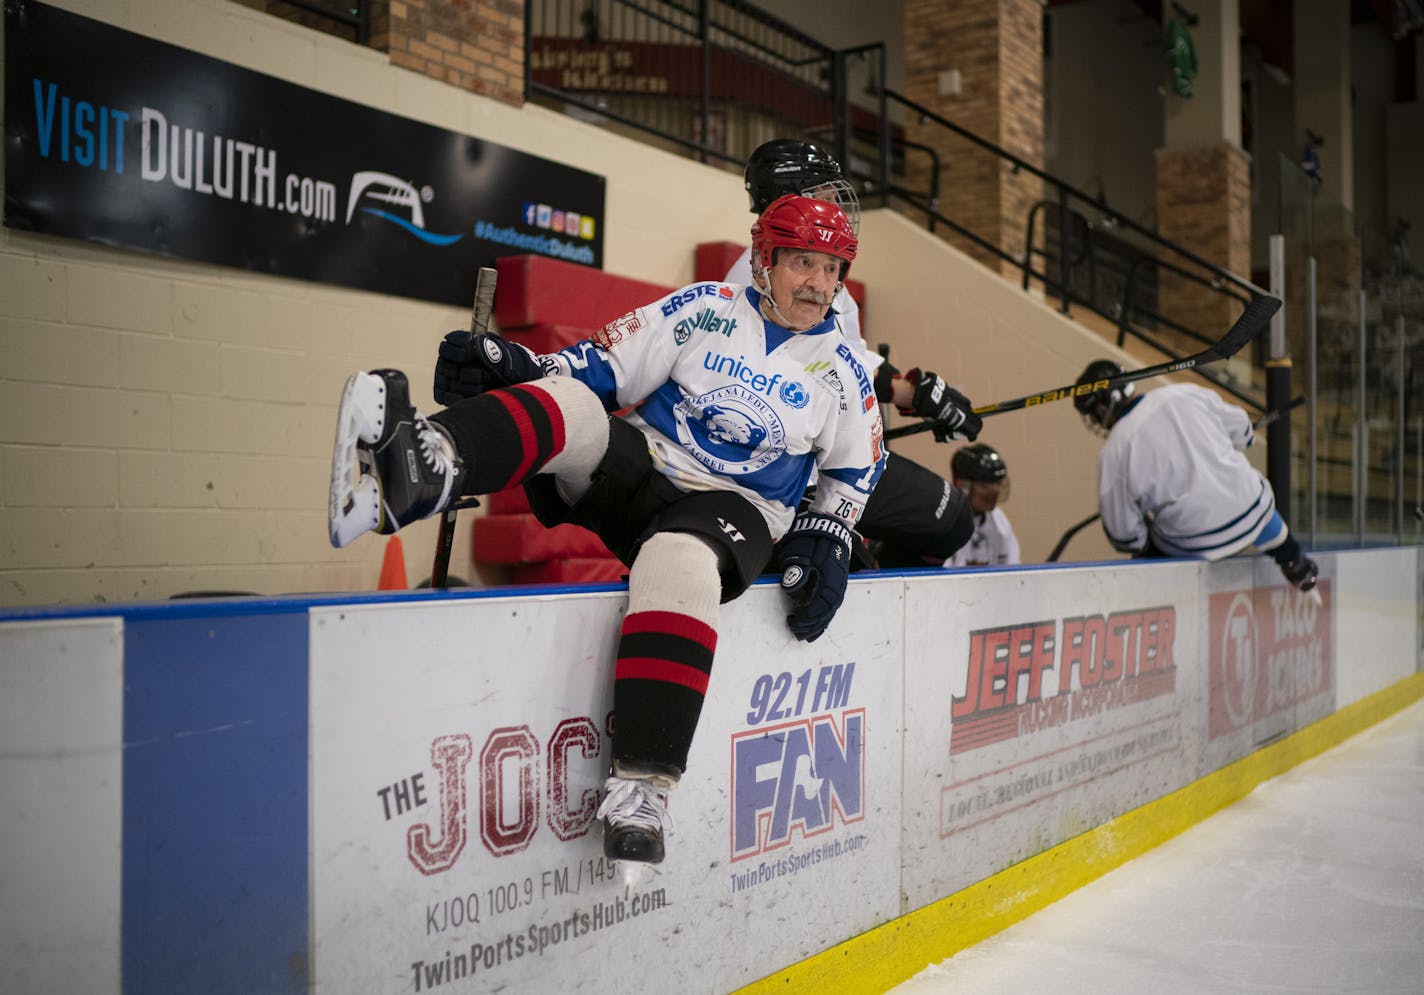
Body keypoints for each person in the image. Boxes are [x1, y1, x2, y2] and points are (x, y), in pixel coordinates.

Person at [330, 194, 885, 865]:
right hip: (643, 474)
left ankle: (644, 790)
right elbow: (595, 369)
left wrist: (828, 532)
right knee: (572, 407)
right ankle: (418, 468)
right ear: (765, 259)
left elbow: (857, 471)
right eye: (804, 262)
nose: (821, 284)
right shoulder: (703, 307)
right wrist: (517, 368)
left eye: (833, 269)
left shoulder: (845, 370)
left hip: (735, 512)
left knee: (678, 561)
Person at [725, 138, 978, 568]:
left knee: (940, 526)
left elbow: (843, 355)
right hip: (792, 465)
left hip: (825, 453)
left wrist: (917, 393)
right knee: (944, 523)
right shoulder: (754, 277)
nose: (834, 208)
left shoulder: (822, 268)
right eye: (823, 195)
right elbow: (808, 364)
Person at [1073, 359, 1318, 591]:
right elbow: (1243, 431)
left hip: (1194, 543)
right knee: (1250, 495)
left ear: (1103, 406)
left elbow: (1124, 535)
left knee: (1150, 548)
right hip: (1252, 513)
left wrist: (1142, 542)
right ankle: (1294, 562)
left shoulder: (1113, 451)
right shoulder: (1184, 392)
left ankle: (1164, 604)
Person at [944, 443, 1021, 567]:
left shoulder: (998, 519)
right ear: (963, 486)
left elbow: (1011, 563)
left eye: (997, 485)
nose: (994, 492)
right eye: (985, 486)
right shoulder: (945, 521)